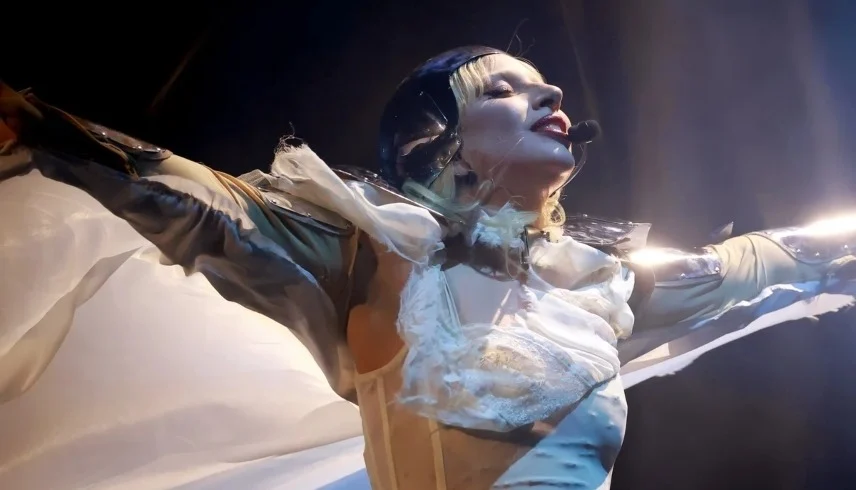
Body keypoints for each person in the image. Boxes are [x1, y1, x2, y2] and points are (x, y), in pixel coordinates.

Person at [1, 45, 854, 490]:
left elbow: (760, 260)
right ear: (433, 139)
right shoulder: (378, 257)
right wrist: (30, 121)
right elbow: (174, 191)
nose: (553, 97)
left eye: (546, 87)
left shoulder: (596, 283)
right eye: (505, 89)